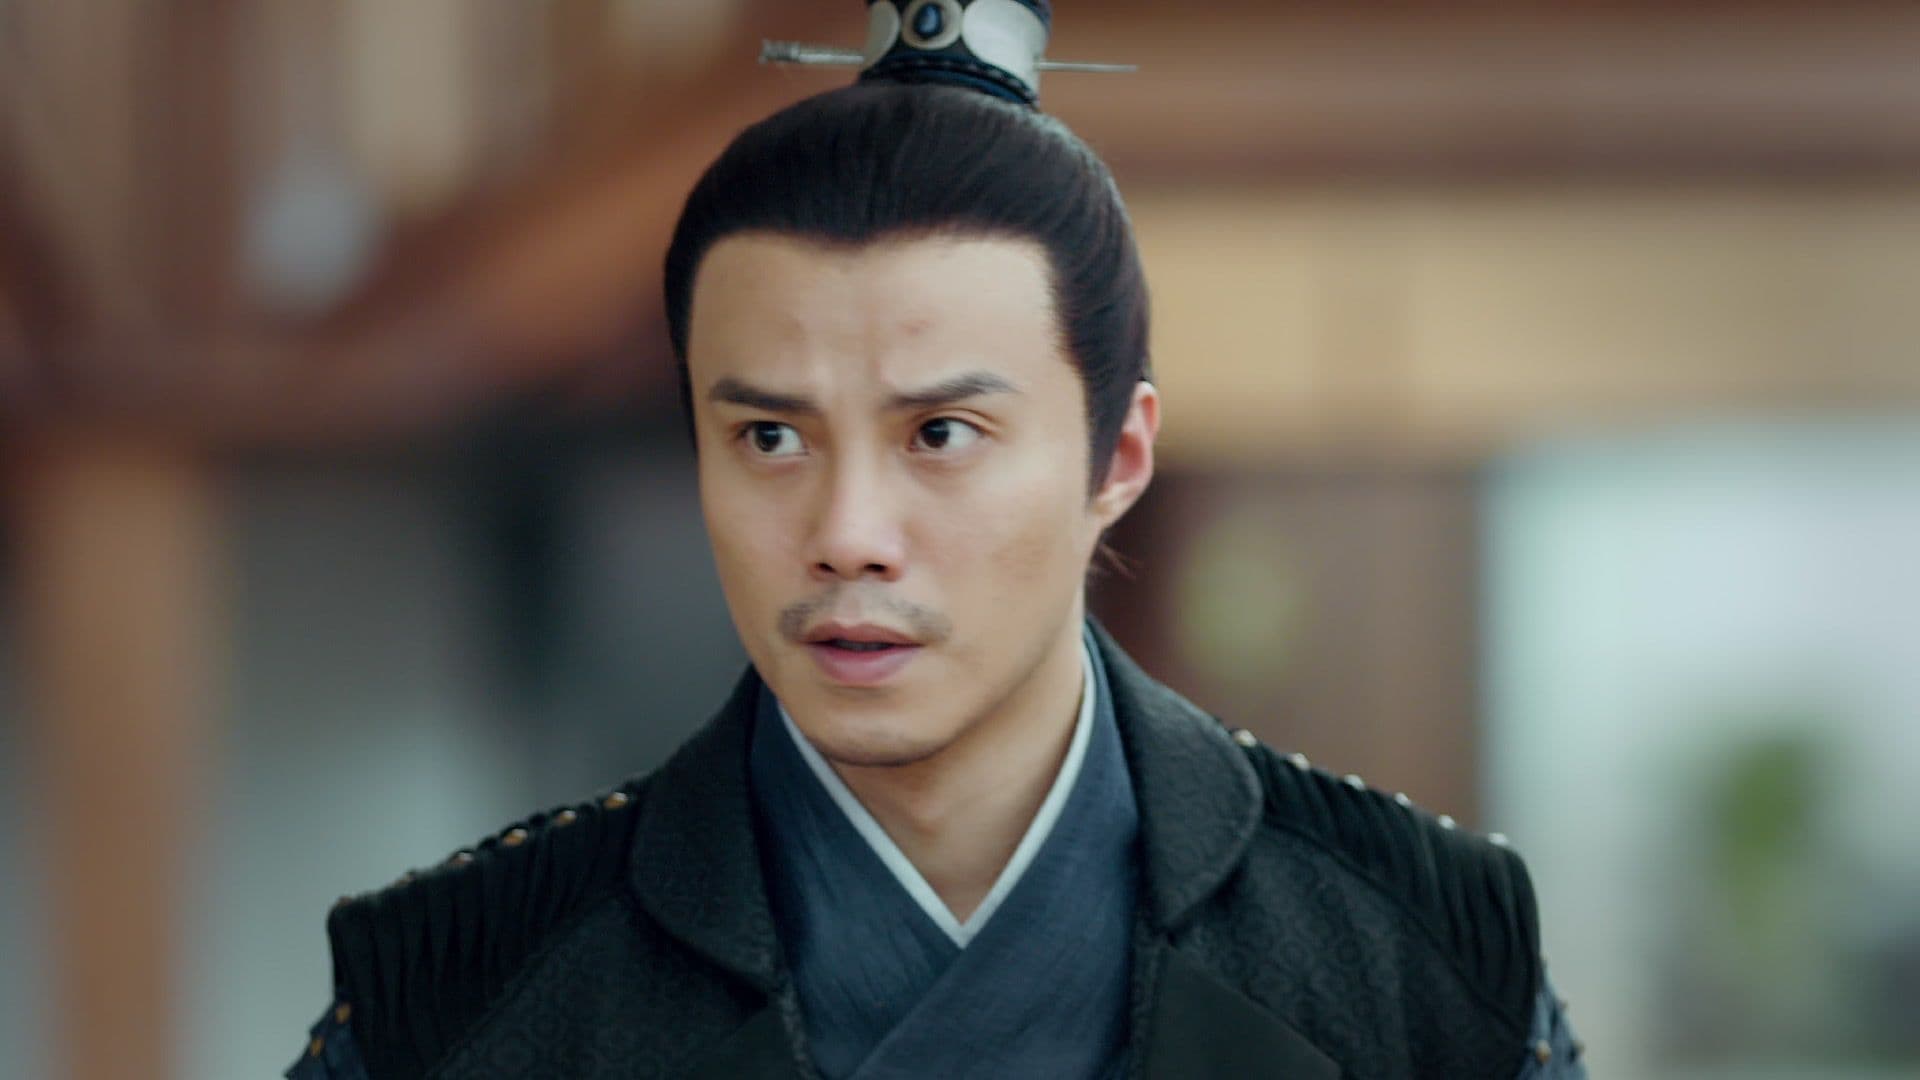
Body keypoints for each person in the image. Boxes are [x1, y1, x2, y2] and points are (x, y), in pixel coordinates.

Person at [289, 1, 1586, 1076]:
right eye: (770, 438)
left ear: (1117, 459)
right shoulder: (461, 991)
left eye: (942, 435)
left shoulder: (1418, 956)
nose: (848, 537)